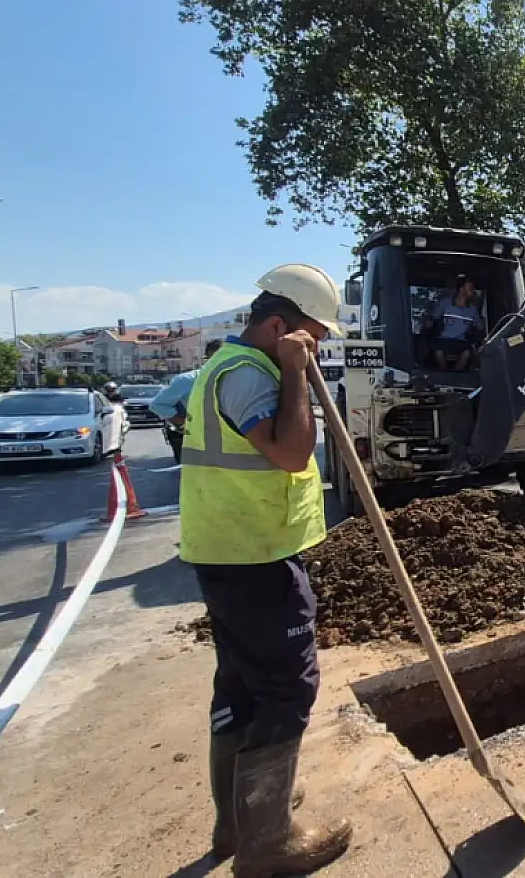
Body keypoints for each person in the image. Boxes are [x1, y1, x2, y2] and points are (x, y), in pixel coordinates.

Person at [179, 265, 352, 876]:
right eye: (312, 334)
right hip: (250, 558)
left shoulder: (228, 367)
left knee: (242, 686)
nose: (320, 344)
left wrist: (294, 367)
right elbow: (290, 450)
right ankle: (268, 843)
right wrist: (296, 372)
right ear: (278, 326)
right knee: (287, 687)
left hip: (233, 549)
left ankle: (238, 822)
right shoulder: (249, 375)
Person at [152, 339, 225, 463]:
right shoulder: (187, 380)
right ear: (208, 358)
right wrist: (184, 422)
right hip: (200, 444)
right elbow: (158, 405)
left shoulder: (236, 380)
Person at [423, 273, 485, 370]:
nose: (473, 291)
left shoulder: (472, 310)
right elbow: (432, 318)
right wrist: (429, 322)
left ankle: (457, 374)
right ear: (461, 289)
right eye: (470, 288)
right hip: (443, 339)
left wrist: (480, 331)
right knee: (438, 350)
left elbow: (480, 327)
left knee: (467, 352)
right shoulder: (445, 303)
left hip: (461, 341)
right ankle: (445, 373)